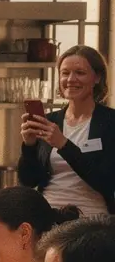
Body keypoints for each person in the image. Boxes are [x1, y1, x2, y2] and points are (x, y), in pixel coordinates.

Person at [19, 44, 115, 216]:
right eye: (65, 73)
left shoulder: (110, 122)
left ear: (97, 78)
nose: (71, 79)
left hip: (93, 220)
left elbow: (106, 181)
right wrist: (29, 146)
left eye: (80, 73)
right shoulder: (50, 121)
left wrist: (64, 145)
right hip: (49, 216)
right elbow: (29, 181)